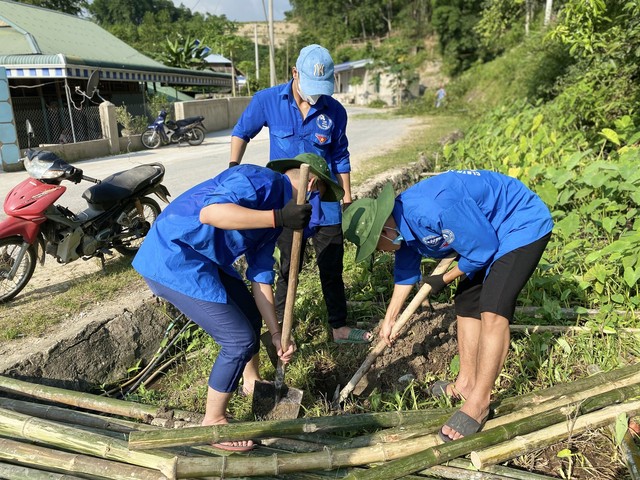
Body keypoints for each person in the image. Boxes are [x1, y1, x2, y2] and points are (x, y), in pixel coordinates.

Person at [132, 153, 343, 452]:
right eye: (320, 194)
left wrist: (275, 333)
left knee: (250, 314)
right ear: (311, 185)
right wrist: (278, 217)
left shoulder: (274, 222)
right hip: (173, 257)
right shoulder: (257, 180)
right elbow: (211, 214)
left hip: (206, 259)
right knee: (238, 339)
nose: (316, 204)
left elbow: (260, 280)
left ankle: (250, 379)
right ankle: (214, 421)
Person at [342, 170, 553, 442]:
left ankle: (478, 403)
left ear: (385, 230)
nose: (379, 252)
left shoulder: (431, 211)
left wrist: (443, 278)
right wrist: (390, 318)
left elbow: (483, 250)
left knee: (493, 308)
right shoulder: (399, 225)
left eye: (376, 246)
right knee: (466, 301)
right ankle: (465, 384)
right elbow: (406, 272)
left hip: (518, 223)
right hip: (485, 232)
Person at [229, 44, 371, 345]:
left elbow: (340, 155)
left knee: (331, 268)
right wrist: (232, 167)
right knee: (285, 268)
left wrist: (346, 197)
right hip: (287, 202)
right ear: (295, 73)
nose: (316, 94)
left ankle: (338, 327)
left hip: (325, 201)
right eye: (311, 85)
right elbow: (241, 132)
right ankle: (281, 331)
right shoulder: (267, 101)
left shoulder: (334, 111)